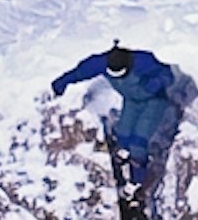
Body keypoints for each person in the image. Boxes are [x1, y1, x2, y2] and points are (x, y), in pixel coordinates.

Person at [52, 42, 176, 191]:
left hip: (154, 101)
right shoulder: (103, 62)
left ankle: (137, 183)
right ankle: (125, 158)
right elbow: (82, 71)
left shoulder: (142, 61)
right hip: (132, 101)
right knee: (123, 134)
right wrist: (63, 81)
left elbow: (167, 74)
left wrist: (156, 83)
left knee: (138, 141)